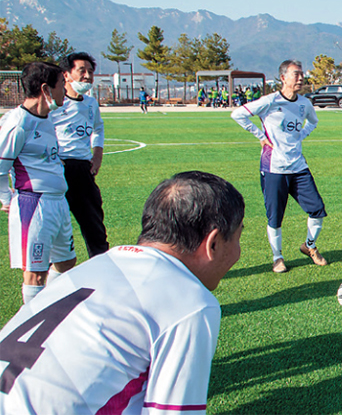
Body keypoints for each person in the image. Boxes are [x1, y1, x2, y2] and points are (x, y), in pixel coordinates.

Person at [0, 171, 244, 413]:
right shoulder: (191, 302)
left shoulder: (95, 266)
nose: (238, 250)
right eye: (237, 237)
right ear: (212, 243)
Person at [231, 60, 328, 273]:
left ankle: (309, 247)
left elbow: (313, 122)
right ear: (283, 78)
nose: (301, 78)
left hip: (299, 167)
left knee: (317, 211)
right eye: (296, 74)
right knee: (275, 218)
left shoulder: (304, 103)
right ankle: (277, 258)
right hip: (273, 168)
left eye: (302, 74)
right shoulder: (270, 101)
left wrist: (302, 134)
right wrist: (260, 135)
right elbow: (238, 114)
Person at [0, 62, 76, 304]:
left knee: (66, 262)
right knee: (35, 273)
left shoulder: (46, 119)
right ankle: (31, 325)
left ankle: (47, 309)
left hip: (58, 203)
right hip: (34, 205)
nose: (66, 90)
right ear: (45, 89)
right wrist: (6, 199)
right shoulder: (17, 123)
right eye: (61, 85)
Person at [52, 52, 108, 258]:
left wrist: (97, 155)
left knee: (94, 223)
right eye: (81, 71)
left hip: (83, 169)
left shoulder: (91, 103)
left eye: (91, 72)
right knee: (56, 224)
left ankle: (101, 265)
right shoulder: (53, 104)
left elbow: (98, 129)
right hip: (58, 169)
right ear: (66, 75)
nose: (87, 76)